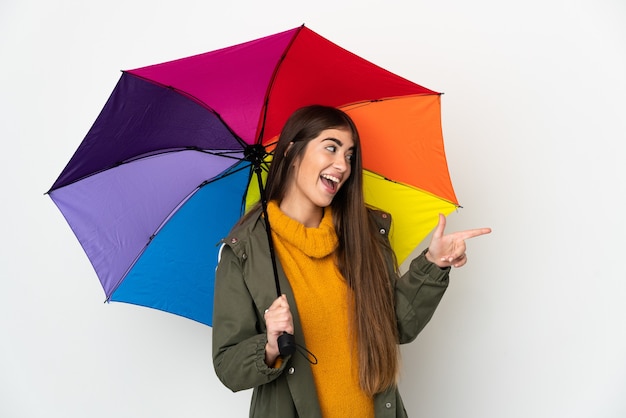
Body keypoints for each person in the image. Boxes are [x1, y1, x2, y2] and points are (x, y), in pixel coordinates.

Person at [212, 105, 491, 418]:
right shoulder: (245, 251)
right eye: (331, 147)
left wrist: (433, 263)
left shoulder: (364, 232)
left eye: (349, 155)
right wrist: (269, 347)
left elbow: (397, 326)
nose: (342, 165)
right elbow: (228, 366)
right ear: (292, 152)